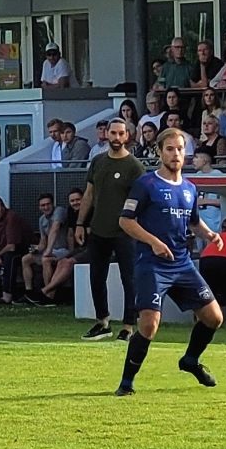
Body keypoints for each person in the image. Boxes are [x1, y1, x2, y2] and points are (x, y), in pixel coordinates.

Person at [113, 127, 222, 395]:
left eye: (180, 149)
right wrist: (153, 241)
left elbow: (193, 221)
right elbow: (125, 221)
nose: (176, 154)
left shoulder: (189, 188)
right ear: (160, 152)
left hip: (182, 263)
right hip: (152, 263)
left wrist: (209, 234)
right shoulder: (146, 184)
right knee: (149, 325)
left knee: (214, 317)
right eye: (170, 149)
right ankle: (126, 383)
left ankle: (190, 360)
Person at [75, 119, 146, 341]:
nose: (116, 138)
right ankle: (102, 322)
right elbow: (88, 194)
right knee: (96, 277)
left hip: (125, 231)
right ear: (106, 134)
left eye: (120, 133)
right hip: (98, 229)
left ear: (127, 136)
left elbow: (142, 200)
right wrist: (80, 223)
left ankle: (128, 326)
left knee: (129, 279)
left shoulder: (134, 166)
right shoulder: (97, 162)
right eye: (112, 133)